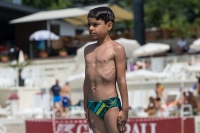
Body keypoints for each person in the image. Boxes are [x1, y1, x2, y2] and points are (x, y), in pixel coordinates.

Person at [83, 7, 129, 133]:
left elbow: (121, 80)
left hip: (110, 104)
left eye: (95, 24)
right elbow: (87, 80)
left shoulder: (117, 49)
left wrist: (124, 109)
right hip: (92, 105)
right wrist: (85, 106)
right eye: (89, 25)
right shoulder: (87, 50)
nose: (91, 28)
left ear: (109, 25)